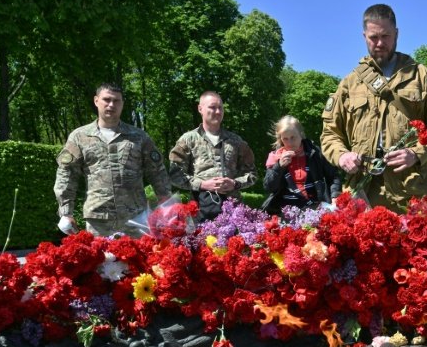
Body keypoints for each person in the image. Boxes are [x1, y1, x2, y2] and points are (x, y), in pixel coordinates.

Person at [321, 4, 427, 213]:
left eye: (386, 36)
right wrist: (341, 156)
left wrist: (417, 152)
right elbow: (330, 134)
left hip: (411, 192)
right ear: (364, 35)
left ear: (397, 34)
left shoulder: (420, 76)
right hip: (363, 194)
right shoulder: (350, 82)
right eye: (374, 37)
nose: (380, 43)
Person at [54, 83, 171, 238]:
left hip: (136, 218)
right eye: (106, 100)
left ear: (122, 104)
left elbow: (157, 171)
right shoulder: (80, 137)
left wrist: (167, 204)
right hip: (98, 220)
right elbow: (67, 175)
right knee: (102, 261)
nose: (111, 105)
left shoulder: (138, 137)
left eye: (116, 101)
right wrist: (66, 212)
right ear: (96, 101)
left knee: (138, 261)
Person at [169, 91, 257, 221]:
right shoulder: (188, 140)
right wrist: (202, 184)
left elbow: (252, 174)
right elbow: (174, 175)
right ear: (200, 109)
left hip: (233, 213)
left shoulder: (237, 141)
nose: (217, 111)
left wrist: (235, 183)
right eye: (212, 107)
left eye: (220, 107)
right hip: (199, 211)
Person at [262, 115, 341, 214]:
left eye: (293, 137)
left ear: (301, 134)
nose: (290, 142)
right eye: (285, 139)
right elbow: (269, 187)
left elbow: (333, 176)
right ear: (280, 139)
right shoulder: (276, 157)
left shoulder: (315, 153)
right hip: (285, 212)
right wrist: (279, 166)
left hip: (316, 209)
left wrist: (335, 195)